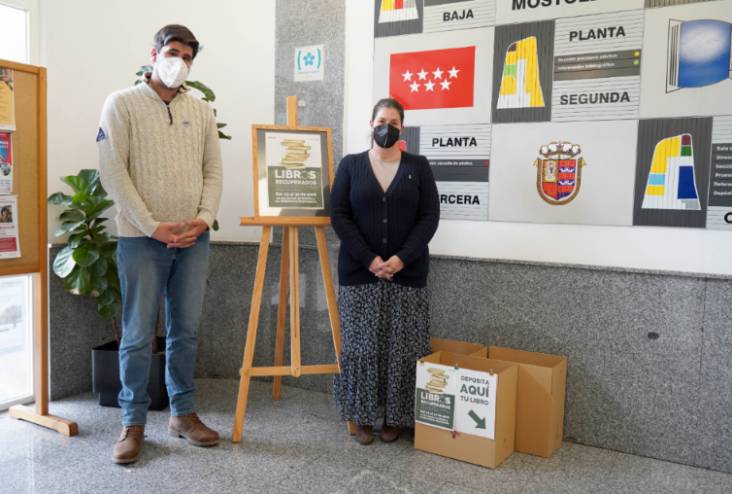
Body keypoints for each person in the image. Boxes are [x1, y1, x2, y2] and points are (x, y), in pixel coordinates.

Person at [98, 24, 223, 464]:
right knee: (137, 335)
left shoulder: (201, 110)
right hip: (141, 240)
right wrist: (152, 226)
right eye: (173, 53)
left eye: (188, 57)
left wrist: (203, 219)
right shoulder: (121, 104)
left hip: (192, 240)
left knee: (185, 330)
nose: (180, 63)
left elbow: (213, 171)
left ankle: (182, 414)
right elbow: (113, 172)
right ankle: (133, 423)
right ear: (154, 54)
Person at [330, 98, 440, 445]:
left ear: (402, 128)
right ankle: (362, 416)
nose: (386, 128)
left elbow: (429, 217)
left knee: (403, 348)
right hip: (360, 272)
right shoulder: (351, 165)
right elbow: (339, 215)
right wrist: (370, 259)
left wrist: (402, 259)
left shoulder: (418, 166)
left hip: (407, 274)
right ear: (371, 124)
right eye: (381, 121)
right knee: (360, 347)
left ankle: (396, 417)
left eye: (393, 123)